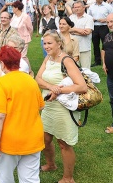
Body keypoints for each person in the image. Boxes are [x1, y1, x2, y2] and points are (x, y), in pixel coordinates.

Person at [35, 30, 87, 183]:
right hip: (48, 106)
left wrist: (58, 91)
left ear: (59, 43)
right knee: (44, 138)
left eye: (49, 43)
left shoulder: (67, 60)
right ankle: (51, 165)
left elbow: (81, 86)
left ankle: (68, 178)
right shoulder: (48, 58)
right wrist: (52, 87)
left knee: (63, 143)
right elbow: (37, 78)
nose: (46, 46)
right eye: (44, 43)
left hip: (63, 108)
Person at [0, 45, 44, 183]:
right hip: (32, 138)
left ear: (2, 64)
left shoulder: (1, 83)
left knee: (5, 178)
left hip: (9, 141)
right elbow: (39, 107)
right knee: (30, 179)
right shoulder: (31, 81)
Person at [88, 0, 113, 67]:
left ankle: (106, 60)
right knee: (95, 44)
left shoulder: (107, 6)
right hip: (95, 27)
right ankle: (97, 61)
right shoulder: (91, 6)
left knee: (105, 44)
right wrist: (92, 19)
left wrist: (105, 20)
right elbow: (89, 16)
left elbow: (112, 16)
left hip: (104, 27)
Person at [69, 0, 94, 69]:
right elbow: (67, 29)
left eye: (78, 7)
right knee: (74, 69)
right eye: (75, 7)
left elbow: (87, 32)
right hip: (73, 48)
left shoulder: (89, 18)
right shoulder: (71, 17)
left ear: (83, 7)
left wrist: (73, 30)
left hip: (84, 48)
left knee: (86, 70)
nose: (76, 9)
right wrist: (80, 31)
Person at [102, 13, 113, 134]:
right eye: (108, 22)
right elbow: (104, 49)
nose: (110, 24)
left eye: (112, 21)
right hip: (111, 75)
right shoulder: (107, 36)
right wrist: (104, 63)